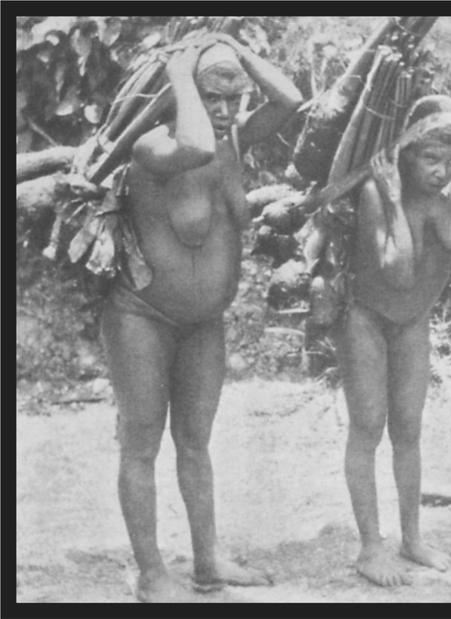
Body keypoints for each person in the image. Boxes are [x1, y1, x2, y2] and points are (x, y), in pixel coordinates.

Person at [100, 34, 302, 602]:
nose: (223, 111)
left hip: (203, 322)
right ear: (181, 92)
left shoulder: (231, 139)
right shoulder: (152, 147)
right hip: (142, 314)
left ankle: (208, 560)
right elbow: (194, 142)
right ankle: (151, 573)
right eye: (213, 98)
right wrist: (181, 72)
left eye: (231, 99)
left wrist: (231, 44)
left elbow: (290, 100)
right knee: (142, 443)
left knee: (196, 441)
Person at [333, 95, 451, 586]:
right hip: (367, 317)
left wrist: (446, 104)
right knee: (368, 427)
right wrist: (394, 199)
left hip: (413, 319)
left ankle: (412, 538)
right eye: (430, 159)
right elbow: (399, 271)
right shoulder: (377, 192)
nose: (442, 172)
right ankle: (371, 548)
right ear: (404, 154)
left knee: (408, 428)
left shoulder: (450, 187)